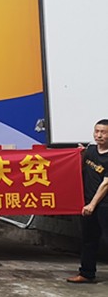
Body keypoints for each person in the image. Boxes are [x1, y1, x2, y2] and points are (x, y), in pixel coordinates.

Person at [67, 119, 108, 284]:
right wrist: (77, 154)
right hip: (88, 202)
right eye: (97, 131)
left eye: (103, 132)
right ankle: (86, 273)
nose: (99, 135)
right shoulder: (91, 150)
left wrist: (92, 204)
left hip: (104, 204)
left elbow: (106, 184)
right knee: (88, 239)